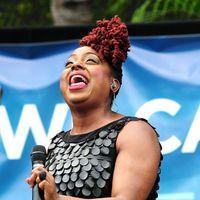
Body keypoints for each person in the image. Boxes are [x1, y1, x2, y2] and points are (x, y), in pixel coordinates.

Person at [26, 16, 162, 200]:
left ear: (113, 83)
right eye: (68, 64)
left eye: (90, 61)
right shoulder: (56, 145)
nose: (75, 65)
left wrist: (58, 199)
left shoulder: (133, 132)